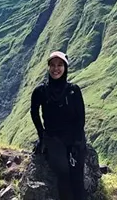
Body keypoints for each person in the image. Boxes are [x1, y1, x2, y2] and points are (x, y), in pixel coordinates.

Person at [30, 50, 86, 200]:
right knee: (63, 172)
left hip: (74, 136)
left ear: (65, 67)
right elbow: (34, 112)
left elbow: (81, 118)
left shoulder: (73, 91)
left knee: (77, 175)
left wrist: (77, 141)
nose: (56, 68)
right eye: (53, 65)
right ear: (48, 67)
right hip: (53, 138)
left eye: (60, 65)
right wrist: (41, 135)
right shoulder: (40, 91)